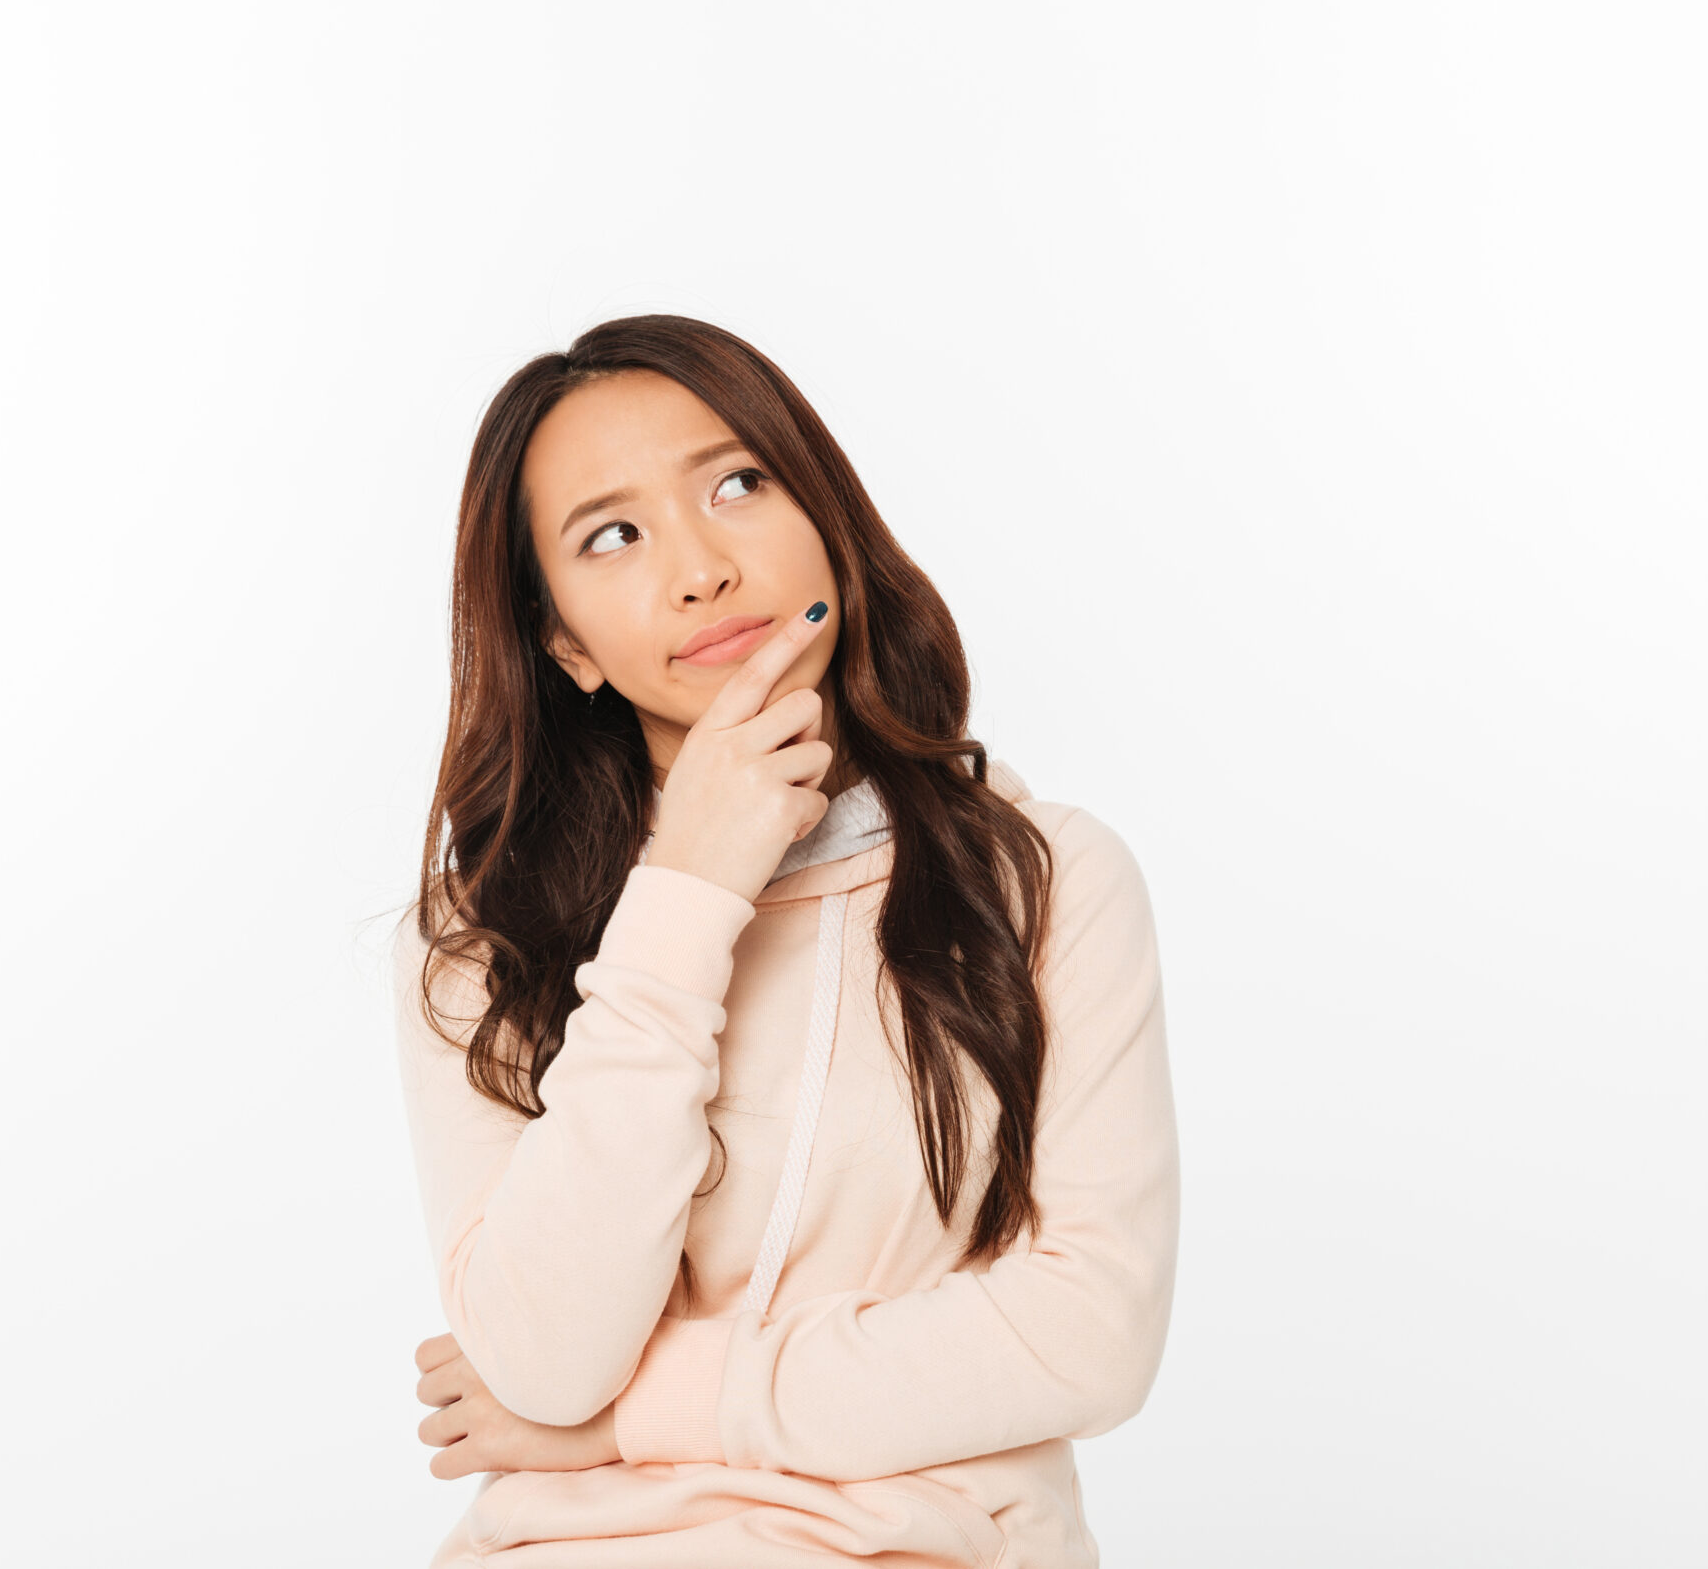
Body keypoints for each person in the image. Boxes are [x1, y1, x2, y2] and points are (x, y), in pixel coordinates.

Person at [390, 314, 1178, 1568]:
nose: (698, 570)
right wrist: (688, 888)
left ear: (826, 518)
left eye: (738, 484)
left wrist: (630, 1419)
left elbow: (1088, 1331)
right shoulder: (478, 945)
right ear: (567, 645)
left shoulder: (1044, 880)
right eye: (612, 536)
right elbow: (543, 1362)